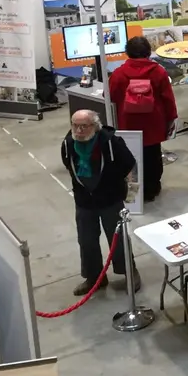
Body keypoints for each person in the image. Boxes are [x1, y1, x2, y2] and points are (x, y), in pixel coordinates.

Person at [60, 110, 137, 295]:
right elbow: (67, 165)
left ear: (95, 126)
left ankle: (130, 272)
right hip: (84, 202)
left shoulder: (111, 142)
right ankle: (95, 277)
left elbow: (129, 164)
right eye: (75, 125)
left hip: (110, 199)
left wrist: (129, 191)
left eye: (83, 126)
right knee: (86, 241)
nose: (78, 130)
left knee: (118, 240)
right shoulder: (68, 144)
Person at [107, 36, 177, 202]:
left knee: (130, 157)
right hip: (154, 122)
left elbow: (111, 96)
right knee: (153, 155)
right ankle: (152, 189)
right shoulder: (158, 71)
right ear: (148, 51)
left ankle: (134, 192)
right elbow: (168, 98)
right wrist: (171, 119)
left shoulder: (118, 73)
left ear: (127, 52)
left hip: (128, 123)